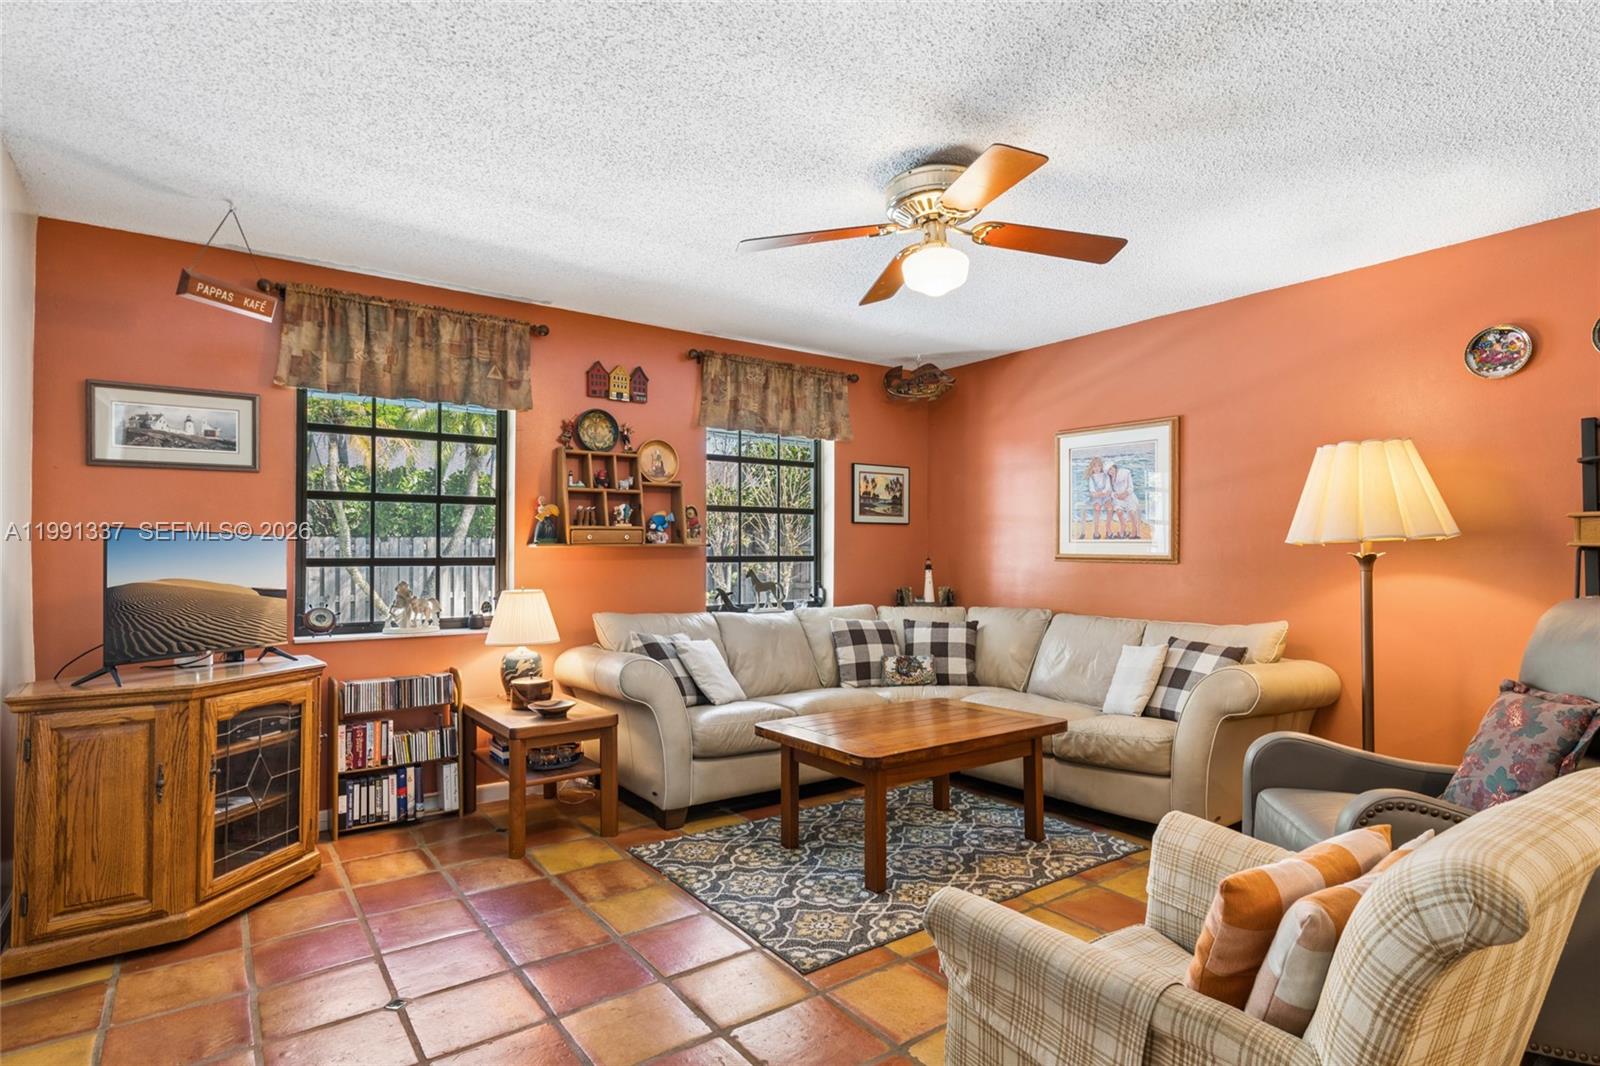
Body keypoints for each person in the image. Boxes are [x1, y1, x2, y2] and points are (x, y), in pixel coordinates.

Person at [1107, 461, 1142, 539]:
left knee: (1131, 512)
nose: (1111, 471)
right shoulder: (1110, 479)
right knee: (1119, 512)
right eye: (1109, 470)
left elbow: (1131, 488)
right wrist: (1115, 495)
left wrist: (1124, 494)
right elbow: (1111, 492)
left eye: (1111, 469)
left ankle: (1134, 530)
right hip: (1118, 498)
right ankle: (1123, 527)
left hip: (1129, 496)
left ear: (1115, 468)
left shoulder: (1125, 473)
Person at [1085, 456, 1112, 539]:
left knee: (1110, 508)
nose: (1096, 468)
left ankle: (1108, 529)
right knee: (1097, 508)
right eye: (1094, 466)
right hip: (1096, 497)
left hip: (1105, 497)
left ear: (1101, 466)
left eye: (1098, 466)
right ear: (1092, 467)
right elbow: (1092, 491)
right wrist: (1100, 493)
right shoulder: (1091, 478)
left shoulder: (1106, 476)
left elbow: (1108, 488)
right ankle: (1096, 532)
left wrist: (1102, 493)